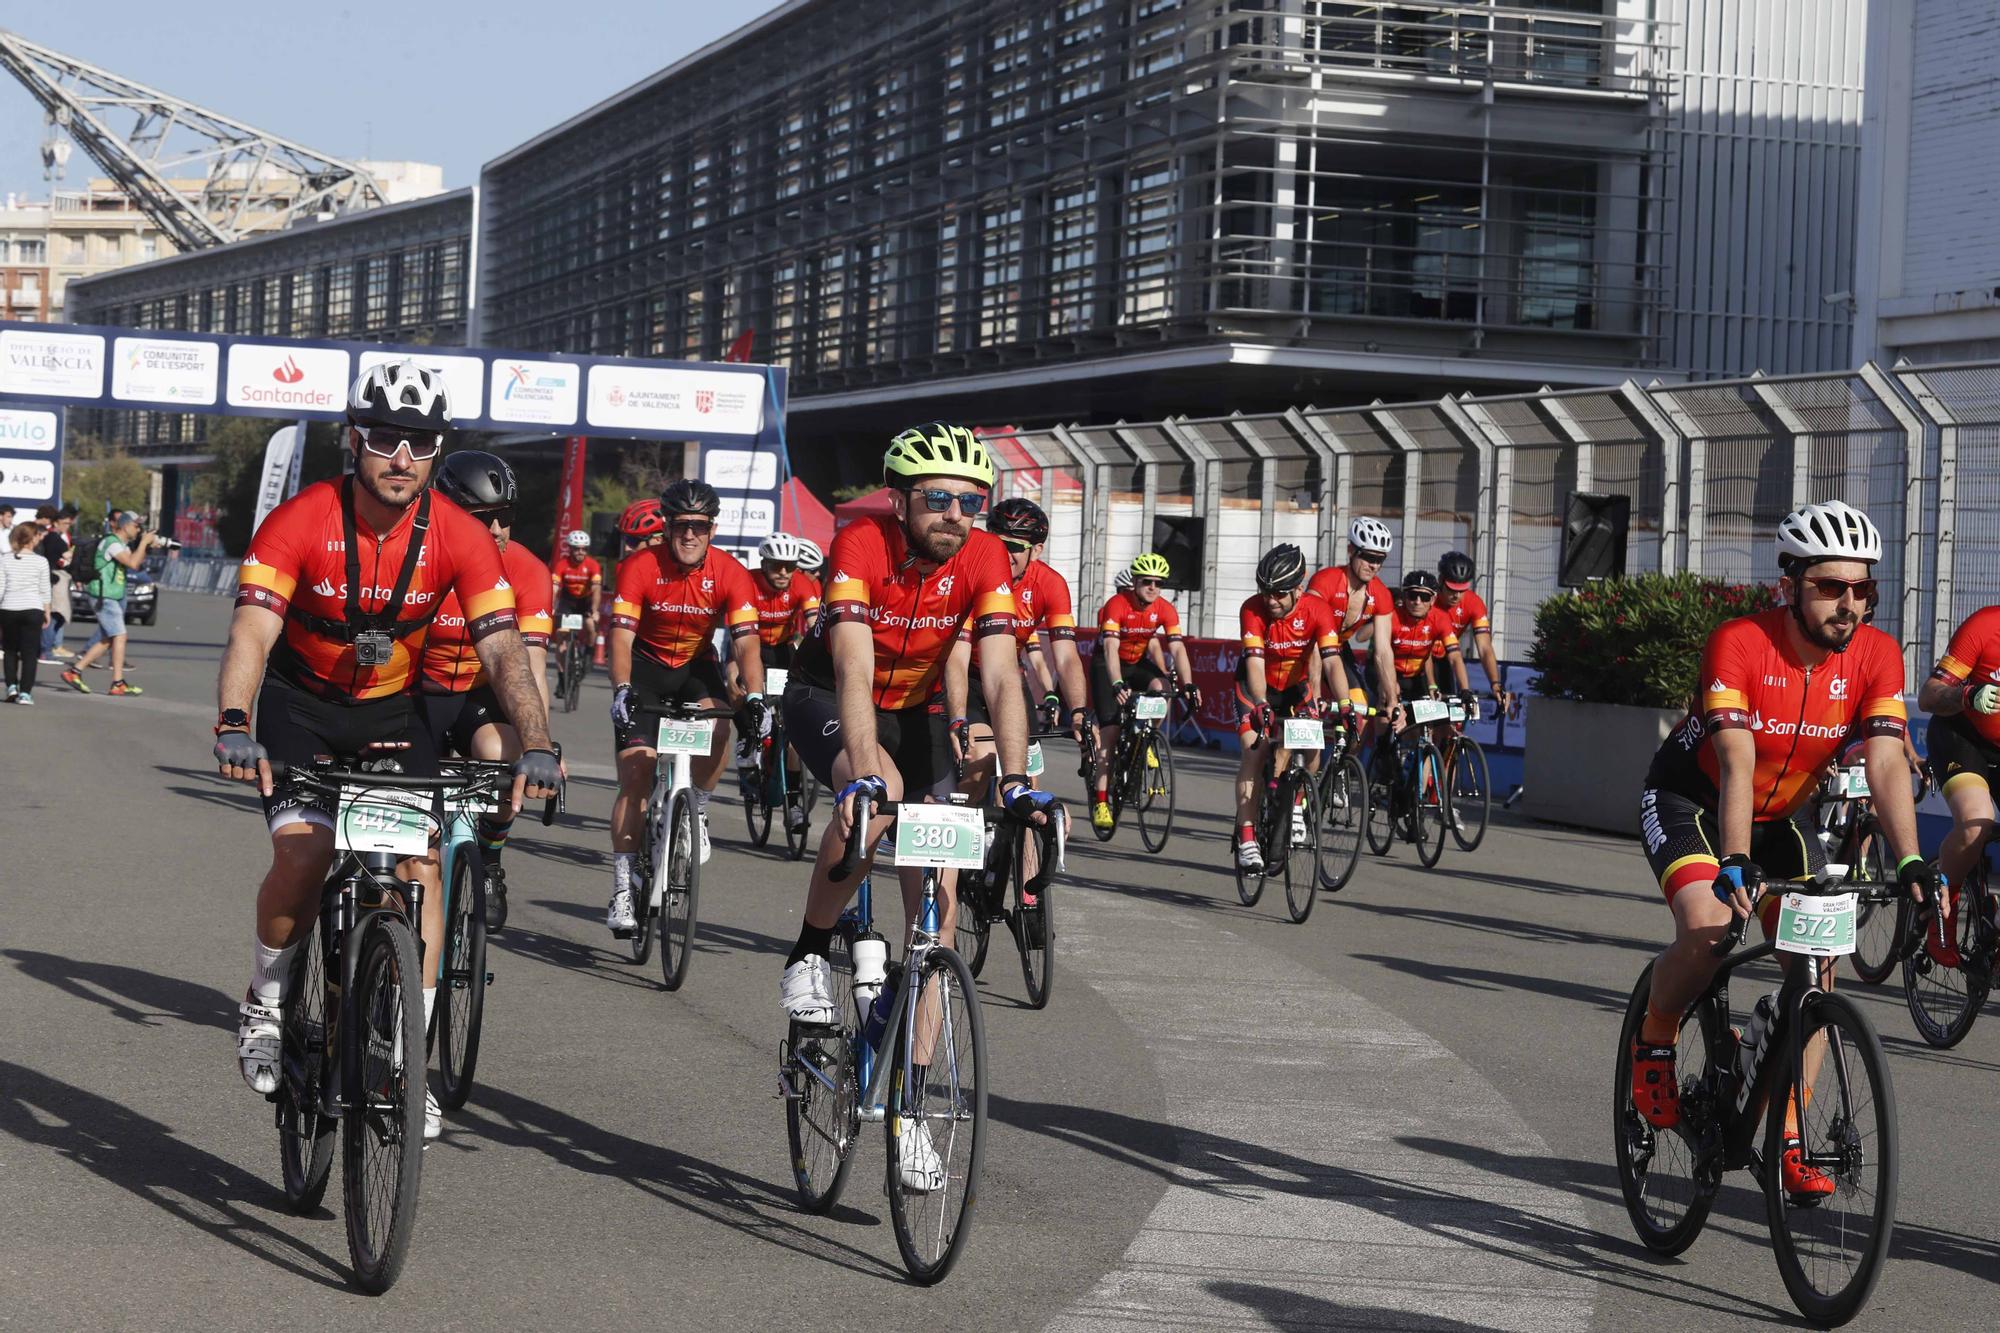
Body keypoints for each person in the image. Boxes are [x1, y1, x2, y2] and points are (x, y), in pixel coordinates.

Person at [213, 359, 560, 1143]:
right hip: (300, 707)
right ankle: (267, 1000)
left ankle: (407, 1062)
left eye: (421, 442)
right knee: (304, 853)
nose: (402, 457)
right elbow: (254, 632)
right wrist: (234, 720)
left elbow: (504, 648)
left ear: (437, 452)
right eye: (384, 438)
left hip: (388, 716)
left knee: (422, 867)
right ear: (353, 440)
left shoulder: (462, 537)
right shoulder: (302, 519)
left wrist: (537, 741)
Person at [1630, 500, 1931, 1201]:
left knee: (1817, 970)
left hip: (1779, 817)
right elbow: (1736, 759)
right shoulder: (1740, 641)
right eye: (1831, 586)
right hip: (1692, 803)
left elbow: (1887, 762)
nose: (1849, 603)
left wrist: (1912, 858)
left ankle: (1788, 1135)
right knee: (1708, 927)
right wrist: (1734, 859)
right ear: (1790, 582)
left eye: (1863, 589)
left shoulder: (1876, 656)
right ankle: (1656, 1035)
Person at [777, 422, 1051, 1190]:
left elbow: (1001, 676)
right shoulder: (861, 542)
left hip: (922, 710)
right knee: (880, 797)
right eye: (937, 498)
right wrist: (863, 773)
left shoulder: (987, 555)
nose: (956, 514)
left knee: (940, 904)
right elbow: (855, 665)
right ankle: (804, 952)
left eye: (972, 501)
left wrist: (1018, 777)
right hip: (830, 694)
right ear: (899, 499)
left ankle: (910, 1112)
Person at [604, 478, 764, 933]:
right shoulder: (640, 566)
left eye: (699, 526)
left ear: (712, 529)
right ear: (668, 527)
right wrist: (620, 687)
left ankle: (700, 807)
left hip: (695, 666)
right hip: (645, 668)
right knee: (636, 772)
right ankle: (620, 887)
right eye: (680, 526)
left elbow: (747, 641)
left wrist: (753, 696)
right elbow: (621, 636)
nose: (689, 535)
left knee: (721, 724)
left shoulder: (731, 573)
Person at [421, 450, 556, 930]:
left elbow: (532, 669)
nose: (497, 529)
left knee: (508, 752)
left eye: (506, 516)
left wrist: (541, 745)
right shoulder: (421, 557)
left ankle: (491, 858)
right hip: (418, 689)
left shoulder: (529, 570)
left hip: (481, 689)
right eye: (483, 518)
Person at [945, 496, 1091, 796]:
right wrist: (958, 715)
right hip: (966, 674)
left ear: (1036, 551)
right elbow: (956, 658)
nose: (1004, 554)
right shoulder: (972, 573)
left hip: (1008, 674)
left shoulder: (1050, 584)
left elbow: (1066, 657)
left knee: (1024, 776)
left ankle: (1018, 841)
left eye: (1014, 547)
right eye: (997, 544)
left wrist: (1077, 710)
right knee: (981, 761)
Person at [1233, 544, 1347, 871]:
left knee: (1313, 749)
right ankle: (1248, 837)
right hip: (1254, 688)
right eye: (1265, 591)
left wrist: (1346, 705)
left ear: (1300, 587)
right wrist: (1260, 704)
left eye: (1280, 593)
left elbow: (1333, 663)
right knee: (1254, 754)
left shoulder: (1318, 610)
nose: (1270, 600)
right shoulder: (1252, 610)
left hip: (1295, 688)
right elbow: (1254, 664)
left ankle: (1296, 804)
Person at [1088, 552, 1200, 831]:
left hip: (1137, 663)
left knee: (1162, 687)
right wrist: (1116, 684)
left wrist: (1187, 684)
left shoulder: (1164, 609)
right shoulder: (1117, 604)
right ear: (1135, 582)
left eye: (1158, 583)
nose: (1153, 587)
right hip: (1107, 666)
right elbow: (1111, 649)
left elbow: (1177, 648)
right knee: (1110, 735)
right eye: (1147, 581)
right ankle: (1101, 800)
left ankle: (1147, 737)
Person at [735, 531, 822, 834]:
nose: (784, 572)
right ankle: (747, 744)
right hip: (751, 646)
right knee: (739, 690)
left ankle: (795, 804)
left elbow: (814, 625)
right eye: (776, 566)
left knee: (794, 726)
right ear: (764, 563)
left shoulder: (803, 584)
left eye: (789, 565)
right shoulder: (747, 581)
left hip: (784, 651)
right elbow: (737, 635)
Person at [61, 510, 155, 696]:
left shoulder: (121, 544)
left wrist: (147, 546)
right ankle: (117, 682)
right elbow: (132, 563)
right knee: (120, 635)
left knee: (107, 640)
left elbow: (137, 560)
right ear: (126, 525)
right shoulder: (111, 543)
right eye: (136, 526)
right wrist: (144, 542)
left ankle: (74, 672)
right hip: (104, 595)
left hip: (114, 594)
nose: (138, 530)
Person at [1436, 550, 1511, 715]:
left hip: (1445, 659)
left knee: (1449, 720)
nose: (1456, 595)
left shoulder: (1474, 603)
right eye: (1451, 589)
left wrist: (1495, 683)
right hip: (1417, 657)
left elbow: (1484, 648)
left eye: (1461, 590)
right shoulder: (1427, 599)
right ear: (1440, 581)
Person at [1, 521, 52, 704]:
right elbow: (44, 589)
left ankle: (11, 687)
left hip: (9, 608)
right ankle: (25, 693)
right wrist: (47, 610)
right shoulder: (41, 561)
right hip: (33, 608)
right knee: (30, 653)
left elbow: (1, 586)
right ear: (33, 539)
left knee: (10, 650)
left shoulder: (5, 559)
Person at [549, 528, 602, 668]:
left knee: (591, 626)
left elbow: (596, 589)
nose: (581, 552)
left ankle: (589, 652)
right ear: (571, 548)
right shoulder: (562, 564)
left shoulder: (593, 565)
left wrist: (595, 610)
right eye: (577, 549)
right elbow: (554, 588)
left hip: (586, 600)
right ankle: (561, 677)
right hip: (568, 601)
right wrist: (551, 606)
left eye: (584, 549)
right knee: (561, 635)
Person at [36, 506, 73, 663]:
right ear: (56, 522)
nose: (67, 527)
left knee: (54, 614)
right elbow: (68, 555)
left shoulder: (49, 537)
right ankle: (46, 650)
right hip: (53, 579)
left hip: (48, 578)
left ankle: (45, 648)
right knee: (54, 615)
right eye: (65, 523)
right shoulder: (55, 538)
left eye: (69, 524)